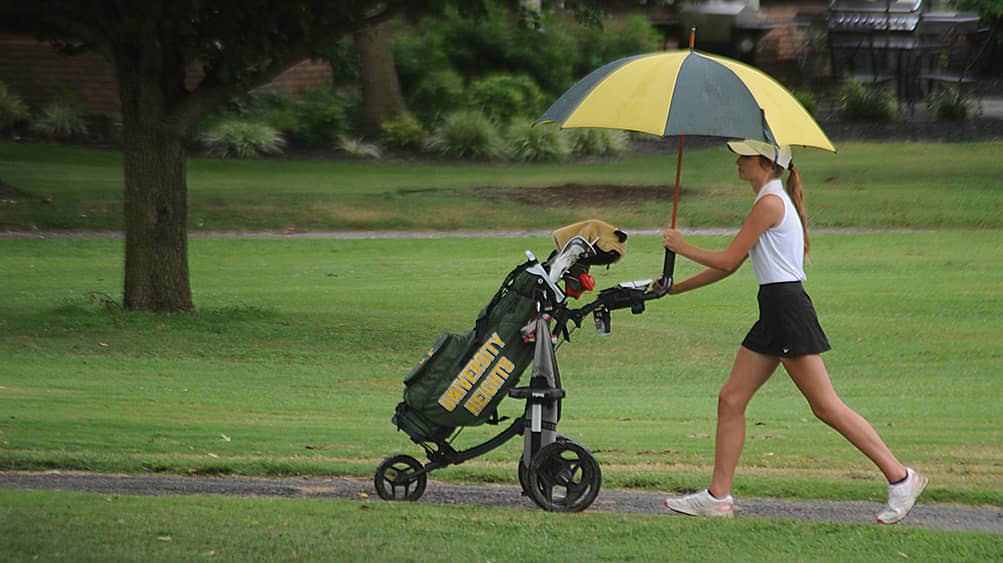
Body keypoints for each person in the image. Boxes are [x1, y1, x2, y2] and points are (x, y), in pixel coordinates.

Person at [660, 139, 926, 524]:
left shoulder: (770, 203)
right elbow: (729, 268)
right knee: (731, 399)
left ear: (766, 164)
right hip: (774, 309)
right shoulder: (767, 201)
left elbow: (730, 258)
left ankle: (902, 477)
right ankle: (718, 497)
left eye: (745, 157)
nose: (738, 162)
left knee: (825, 406)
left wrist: (682, 246)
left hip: (786, 310)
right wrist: (674, 287)